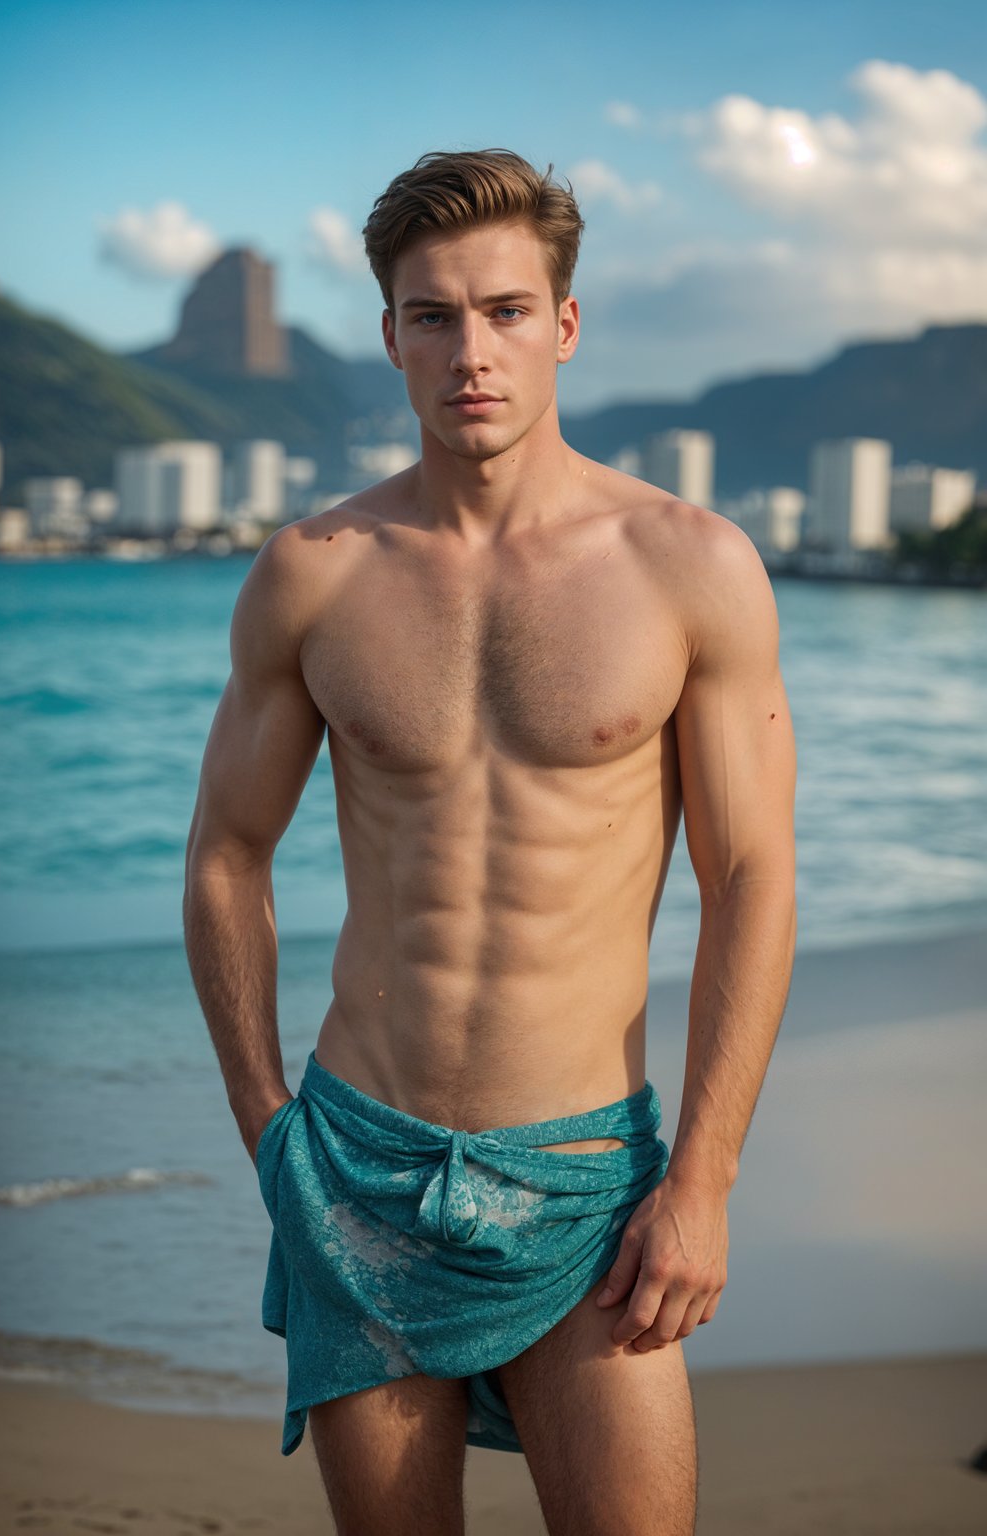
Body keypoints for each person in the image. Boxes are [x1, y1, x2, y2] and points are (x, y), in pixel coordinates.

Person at [184, 147, 797, 1536]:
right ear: (391, 334)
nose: (474, 350)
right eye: (436, 316)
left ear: (566, 325)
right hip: (353, 1173)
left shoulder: (687, 567)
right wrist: (267, 1131)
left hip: (588, 1187)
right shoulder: (315, 574)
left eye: (509, 311)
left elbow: (752, 876)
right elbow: (228, 852)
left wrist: (702, 1178)